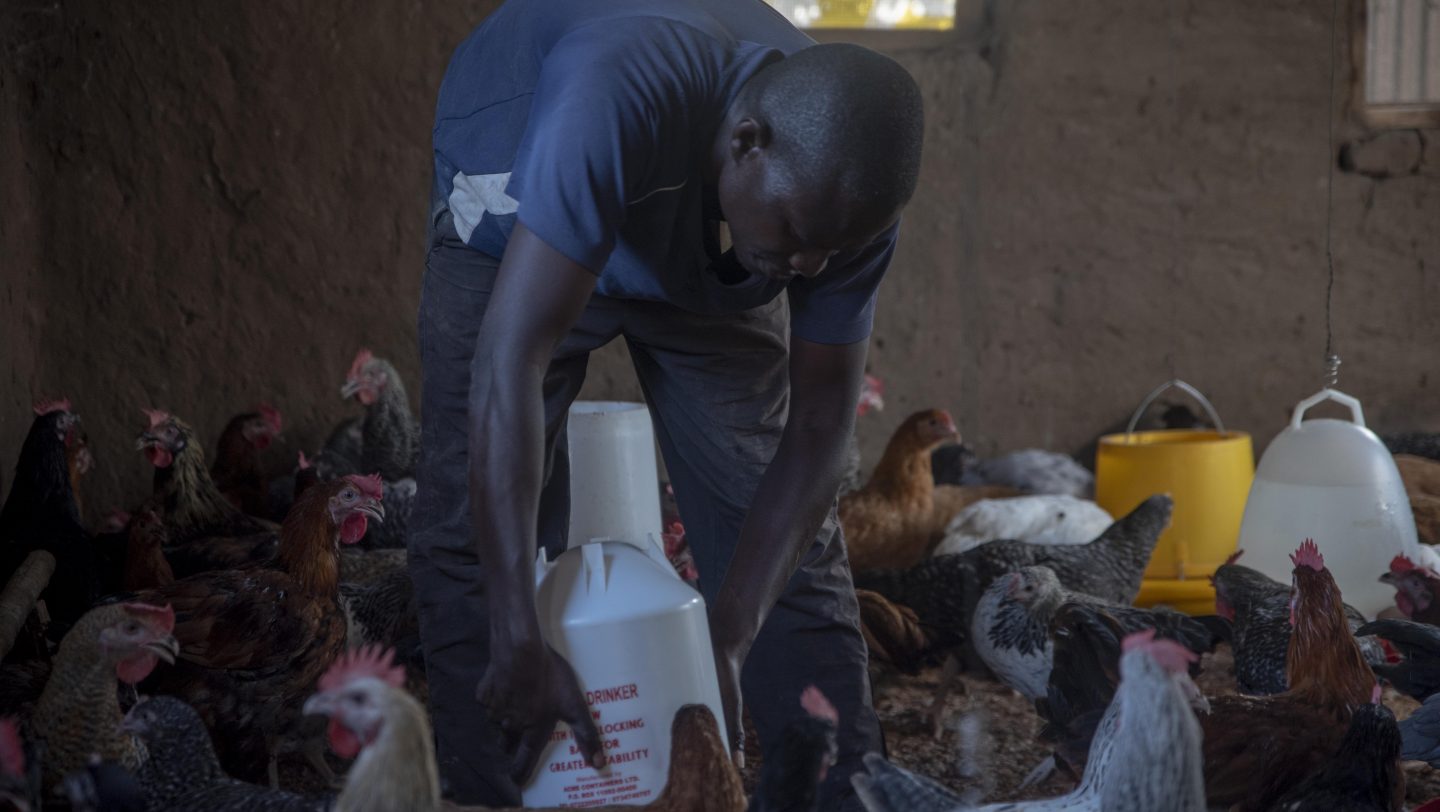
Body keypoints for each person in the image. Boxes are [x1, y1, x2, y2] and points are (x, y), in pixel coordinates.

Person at [410, 0, 925, 808]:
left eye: (835, 247)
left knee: (777, 527)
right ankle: (491, 790)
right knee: (473, 532)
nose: (813, 263)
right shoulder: (615, 89)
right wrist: (513, 625)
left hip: (703, 228)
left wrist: (728, 634)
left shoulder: (836, 202)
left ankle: (837, 793)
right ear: (748, 143)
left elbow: (822, 426)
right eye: (798, 233)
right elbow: (511, 357)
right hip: (516, 212)